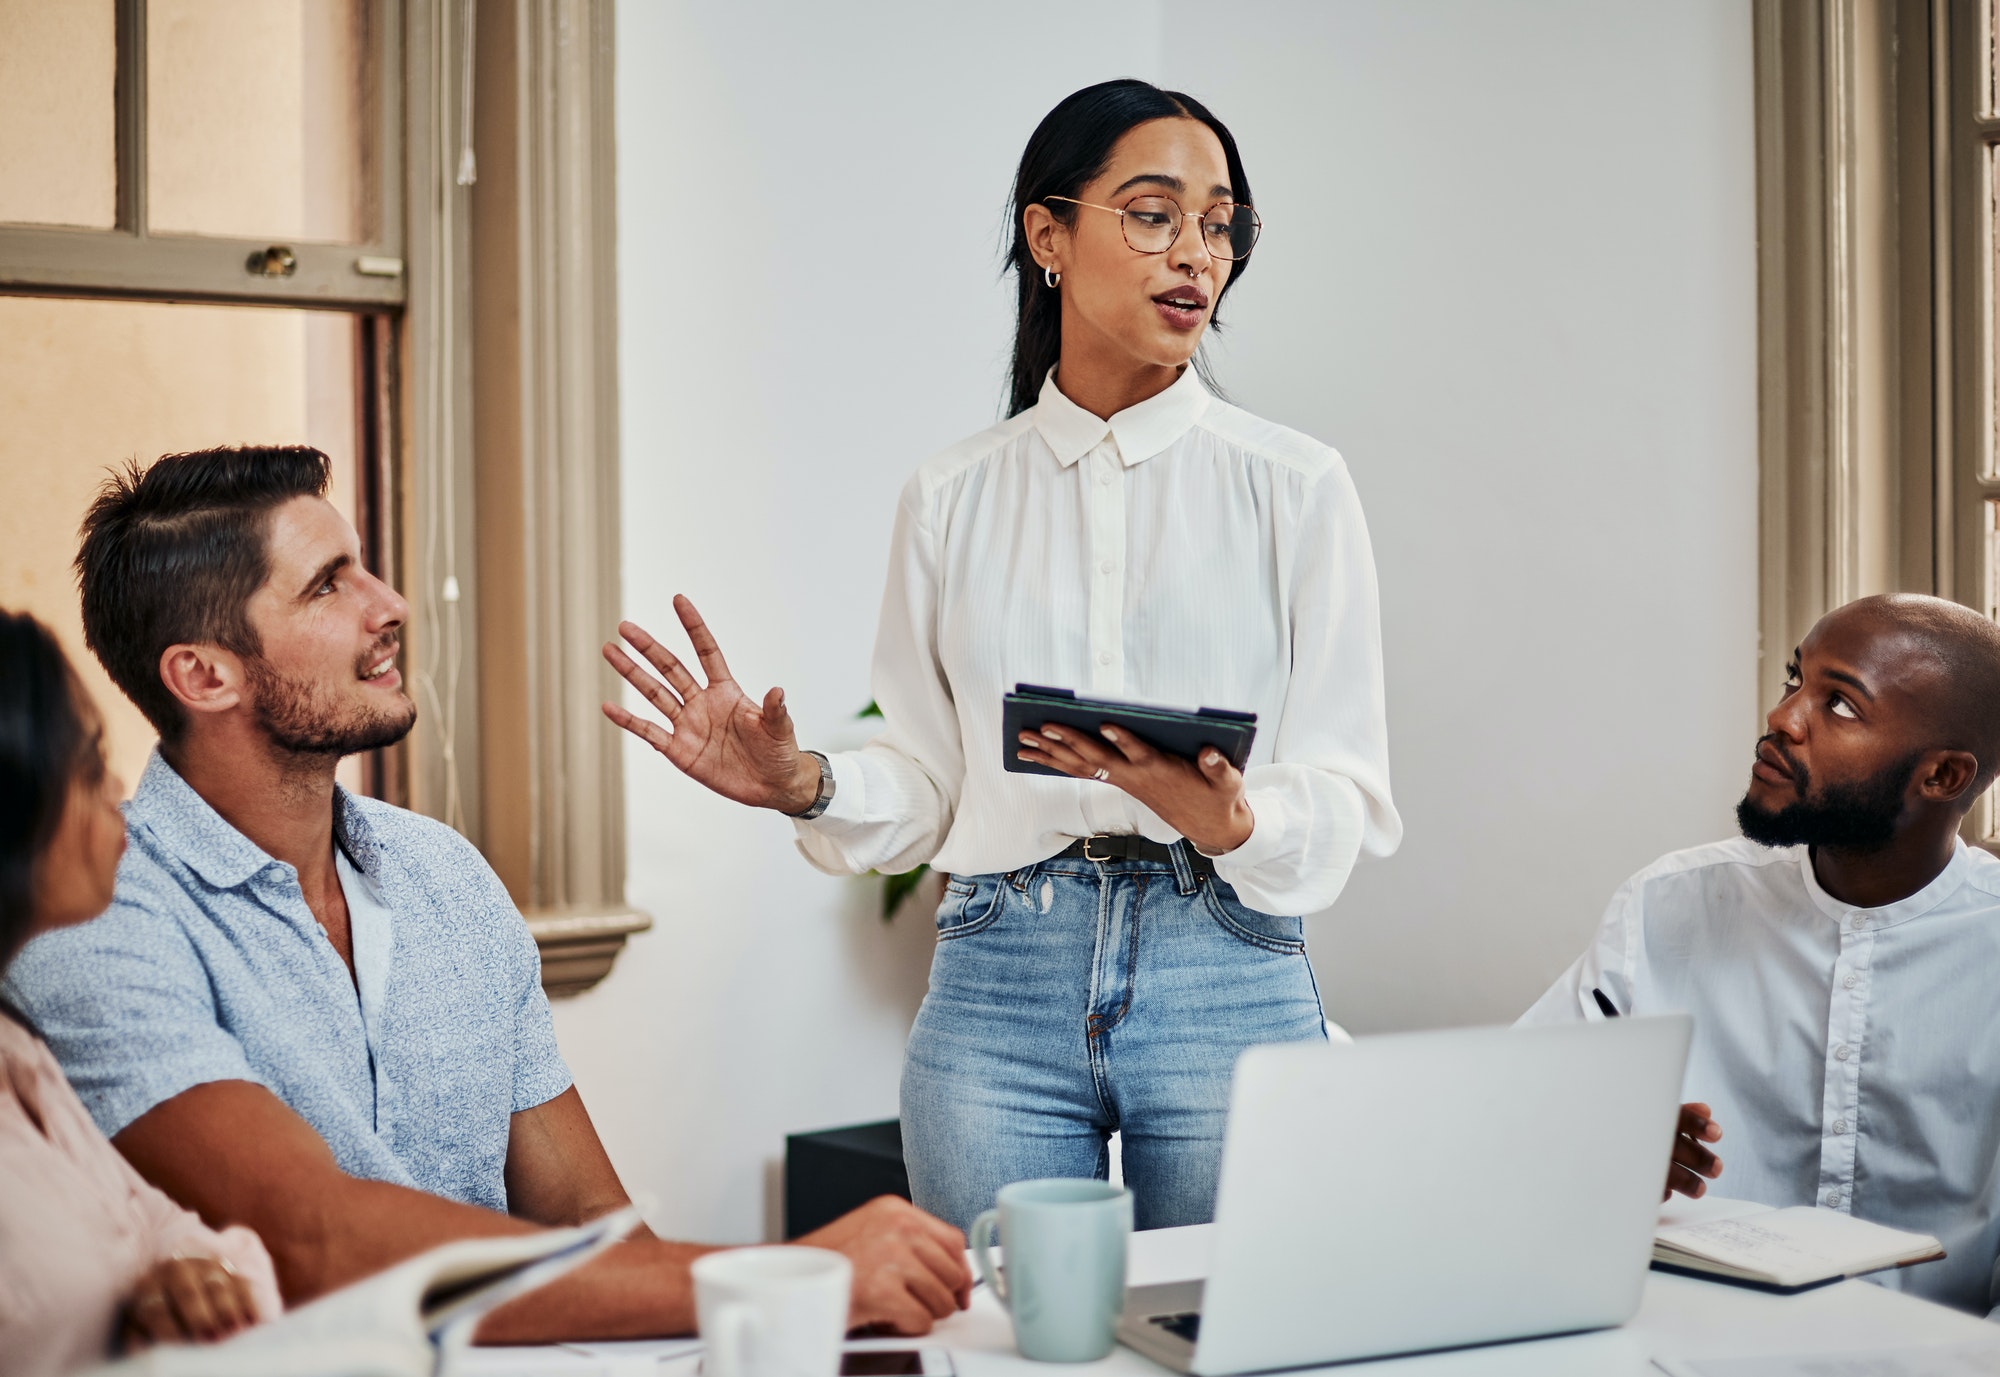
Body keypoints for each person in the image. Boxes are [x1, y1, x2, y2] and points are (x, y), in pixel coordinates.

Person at [603, 79, 1401, 1233]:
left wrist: (1230, 819)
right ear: (1048, 235)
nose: (1195, 253)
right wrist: (805, 782)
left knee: (1227, 1340)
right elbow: (930, 783)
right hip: (998, 981)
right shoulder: (949, 495)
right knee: (993, 1335)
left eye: (1219, 222)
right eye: (1151, 212)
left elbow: (1345, 786)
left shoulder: (1297, 487)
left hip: (1222, 963)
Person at [4, 446, 970, 1343]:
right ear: (205, 675)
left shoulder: (445, 877)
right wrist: (787, 1274)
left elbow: (597, 1225)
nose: (389, 604)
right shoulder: (90, 914)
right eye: (328, 584)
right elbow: (313, 1244)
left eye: (364, 566)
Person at [1522, 593, 2000, 1315]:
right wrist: (1598, 1155)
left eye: (1839, 704)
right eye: (1793, 679)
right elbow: (1503, 1135)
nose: (1782, 717)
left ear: (1941, 777)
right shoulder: (1668, 905)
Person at [0, 609, 283, 1375]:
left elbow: (175, 1229)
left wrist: (183, 1281)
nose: (116, 790)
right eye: (89, 766)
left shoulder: (17, 1050)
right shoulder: (107, 943)